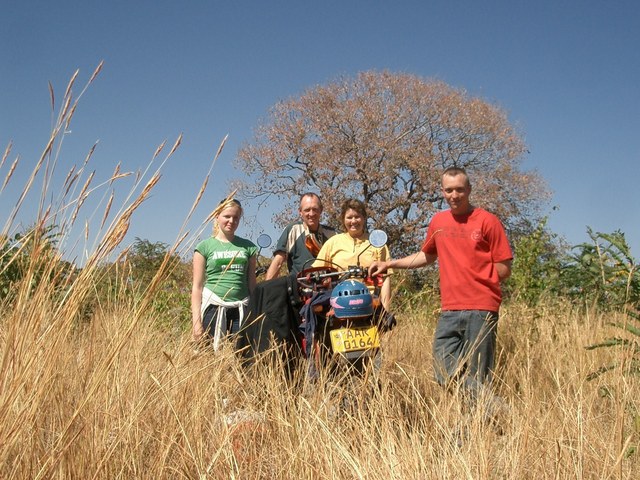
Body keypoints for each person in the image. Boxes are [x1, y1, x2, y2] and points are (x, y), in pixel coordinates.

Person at [369, 167, 513, 403]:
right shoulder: (438, 221)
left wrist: (475, 274)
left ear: (469, 190)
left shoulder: (488, 221)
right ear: (442, 191)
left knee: (479, 373)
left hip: (481, 307)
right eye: (449, 190)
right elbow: (426, 256)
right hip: (450, 309)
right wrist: (389, 263)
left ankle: (471, 434)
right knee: (443, 370)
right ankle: (494, 406)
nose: (454, 195)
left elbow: (504, 268)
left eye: (459, 190)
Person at [191, 198, 258, 350]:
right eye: (227, 216)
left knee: (242, 356)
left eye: (236, 218)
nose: (231, 221)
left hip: (241, 308)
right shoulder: (204, 247)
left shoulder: (249, 247)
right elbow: (197, 287)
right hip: (213, 309)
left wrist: (255, 311)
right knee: (209, 356)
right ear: (217, 216)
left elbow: (252, 283)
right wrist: (196, 323)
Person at [312, 198, 392, 311]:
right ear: (343, 220)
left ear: (364, 218)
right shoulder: (333, 242)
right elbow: (315, 273)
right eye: (349, 217)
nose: (353, 221)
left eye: (357, 216)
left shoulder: (377, 243)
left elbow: (385, 279)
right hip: (338, 303)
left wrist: (385, 312)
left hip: (370, 302)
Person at [265, 193, 335, 280]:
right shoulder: (293, 230)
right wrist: (266, 288)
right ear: (300, 212)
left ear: (321, 210)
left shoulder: (332, 234)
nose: (311, 213)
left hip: (328, 288)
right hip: (299, 287)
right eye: (307, 210)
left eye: (315, 209)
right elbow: (278, 261)